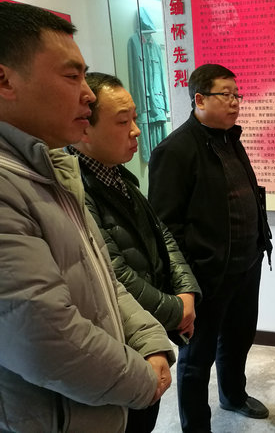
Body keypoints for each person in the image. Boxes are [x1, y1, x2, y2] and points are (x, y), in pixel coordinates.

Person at [0, 2, 174, 432]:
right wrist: (142, 380)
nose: (89, 95)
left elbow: (103, 279)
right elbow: (46, 338)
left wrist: (149, 339)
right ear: (5, 80)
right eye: (71, 76)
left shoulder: (52, 169)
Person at [68, 72, 202, 433]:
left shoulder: (119, 176)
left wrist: (186, 292)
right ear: (84, 128)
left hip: (149, 330)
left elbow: (163, 236)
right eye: (122, 122)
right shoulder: (75, 189)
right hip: (122, 339)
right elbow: (114, 273)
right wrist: (176, 311)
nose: (136, 131)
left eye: (135, 119)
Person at [148, 63, 273, 433]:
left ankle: (233, 394)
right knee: (196, 358)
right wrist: (187, 278)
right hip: (206, 275)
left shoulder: (229, 139)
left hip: (246, 264)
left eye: (237, 94)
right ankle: (196, 426)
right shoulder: (175, 150)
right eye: (226, 94)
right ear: (199, 99)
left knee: (238, 338)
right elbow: (165, 227)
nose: (235, 102)